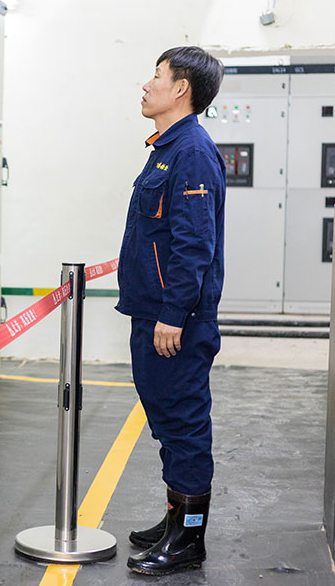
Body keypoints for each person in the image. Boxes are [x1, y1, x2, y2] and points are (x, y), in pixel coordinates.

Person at [115, 46, 226, 575]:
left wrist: (174, 314)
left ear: (181, 88)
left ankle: (188, 539)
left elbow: (193, 245)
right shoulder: (168, 148)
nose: (146, 84)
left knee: (183, 423)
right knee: (166, 420)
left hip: (175, 319)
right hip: (154, 311)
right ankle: (174, 517)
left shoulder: (192, 153)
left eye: (156, 76)